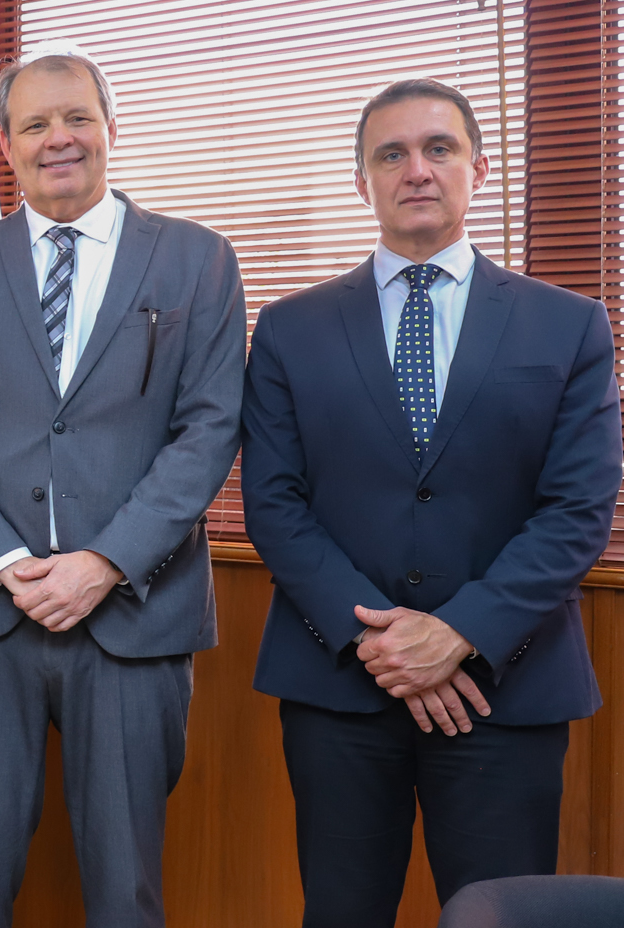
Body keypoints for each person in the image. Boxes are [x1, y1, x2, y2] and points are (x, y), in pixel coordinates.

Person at [241, 78, 620, 926]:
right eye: (391, 154)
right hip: (341, 684)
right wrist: (385, 643)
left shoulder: (569, 325)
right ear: (363, 181)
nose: (416, 169)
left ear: (478, 169)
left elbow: (577, 510)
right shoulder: (288, 329)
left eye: (438, 148)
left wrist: (457, 633)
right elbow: (273, 503)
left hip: (505, 687)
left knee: (502, 915)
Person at [0, 50, 246, 928]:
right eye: (35, 124)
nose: (59, 138)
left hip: (135, 613)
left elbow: (207, 432)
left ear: (111, 128)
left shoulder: (198, 261)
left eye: (77, 117)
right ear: (7, 146)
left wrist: (104, 562)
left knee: (127, 886)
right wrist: (7, 560)